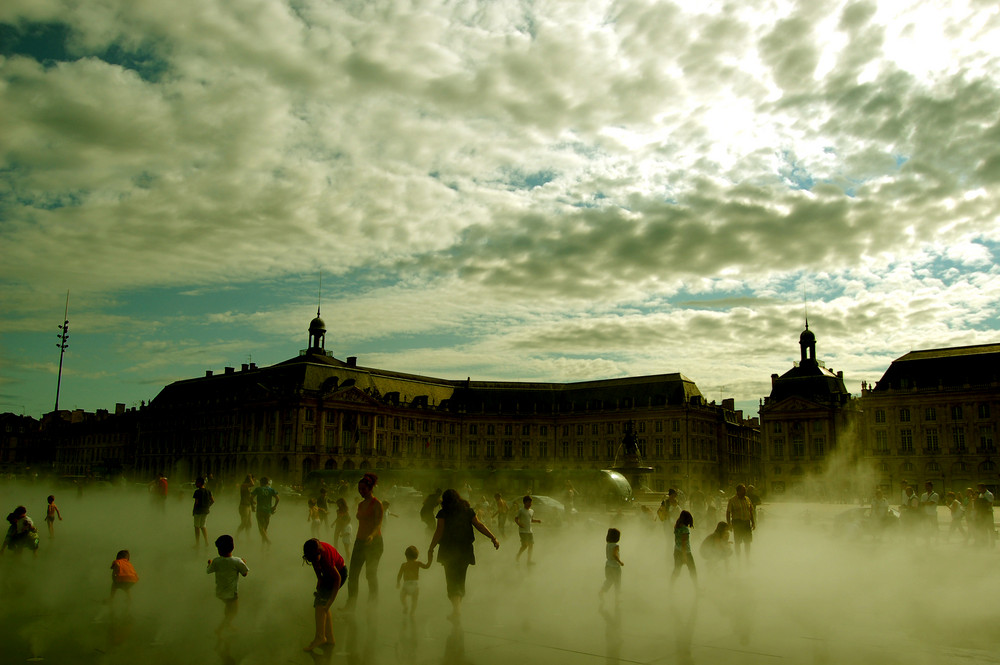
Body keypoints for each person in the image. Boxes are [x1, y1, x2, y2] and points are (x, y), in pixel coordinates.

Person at [427, 488, 499, 622]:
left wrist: (431, 548)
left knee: (451, 580)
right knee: (460, 580)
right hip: (465, 550)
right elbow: (479, 525)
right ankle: (457, 609)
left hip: (448, 550)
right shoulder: (468, 511)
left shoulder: (443, 513)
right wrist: (493, 537)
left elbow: (439, 532)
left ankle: (456, 610)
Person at [346, 473, 384, 610]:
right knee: (353, 575)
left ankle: (373, 603)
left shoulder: (377, 504)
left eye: (363, 489)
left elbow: (378, 524)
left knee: (370, 574)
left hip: (374, 543)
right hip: (360, 541)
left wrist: (372, 536)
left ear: (370, 488)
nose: (361, 491)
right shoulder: (361, 504)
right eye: (359, 489)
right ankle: (350, 604)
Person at [302, 538, 347, 652]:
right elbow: (316, 565)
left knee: (320, 604)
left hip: (339, 572)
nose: (315, 562)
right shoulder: (312, 551)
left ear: (319, 553)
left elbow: (338, 579)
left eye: (316, 559)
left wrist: (330, 602)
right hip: (328, 574)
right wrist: (319, 579)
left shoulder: (326, 557)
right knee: (322, 604)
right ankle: (330, 638)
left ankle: (320, 637)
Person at [206, 535, 249, 635]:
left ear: (219, 550)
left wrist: (209, 562)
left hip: (220, 592)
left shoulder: (216, 561)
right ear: (232, 547)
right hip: (232, 593)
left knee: (228, 608)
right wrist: (244, 562)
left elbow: (209, 570)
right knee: (233, 612)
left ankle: (228, 623)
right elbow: (245, 574)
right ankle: (220, 628)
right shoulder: (237, 561)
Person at [396, 545, 433, 615]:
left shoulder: (404, 565)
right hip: (415, 585)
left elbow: (399, 575)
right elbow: (427, 566)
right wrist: (430, 559)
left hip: (406, 584)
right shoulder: (417, 563)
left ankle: (405, 606)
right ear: (416, 556)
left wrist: (398, 583)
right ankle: (412, 611)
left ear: (406, 556)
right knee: (414, 600)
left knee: (402, 596)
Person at [726, 484, 756, 559]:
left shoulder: (747, 499)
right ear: (738, 491)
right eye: (743, 490)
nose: (745, 491)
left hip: (746, 523)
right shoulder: (732, 500)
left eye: (745, 490)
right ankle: (738, 559)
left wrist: (753, 522)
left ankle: (747, 558)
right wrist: (729, 524)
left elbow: (751, 511)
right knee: (738, 542)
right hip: (737, 523)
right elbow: (728, 512)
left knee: (747, 542)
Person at [251, 477, 279, 546]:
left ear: (261, 483)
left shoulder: (258, 489)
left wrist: (252, 505)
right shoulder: (271, 490)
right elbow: (278, 498)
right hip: (268, 511)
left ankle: (268, 541)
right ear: (267, 483)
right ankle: (263, 546)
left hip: (260, 510)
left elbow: (251, 497)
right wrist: (274, 506)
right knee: (265, 529)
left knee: (261, 529)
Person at [599, 528, 624, 605]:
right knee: (617, 582)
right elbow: (615, 555)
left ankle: (601, 591)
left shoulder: (608, 545)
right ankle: (617, 599)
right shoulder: (616, 546)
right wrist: (620, 562)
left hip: (608, 565)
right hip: (615, 567)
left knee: (609, 580)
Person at [514, 495, 541, 565]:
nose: (530, 504)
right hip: (522, 531)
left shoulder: (532, 511)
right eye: (528, 503)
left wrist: (537, 521)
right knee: (525, 546)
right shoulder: (521, 510)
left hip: (529, 531)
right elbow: (516, 519)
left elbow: (531, 520)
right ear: (524, 503)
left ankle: (529, 561)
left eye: (531, 503)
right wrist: (519, 524)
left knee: (531, 545)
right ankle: (518, 555)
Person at [672, 510, 697, 584]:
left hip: (677, 551)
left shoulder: (677, 526)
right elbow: (684, 543)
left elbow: (677, 540)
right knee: (693, 571)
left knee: (676, 571)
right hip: (686, 552)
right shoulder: (685, 529)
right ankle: (697, 589)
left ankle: (670, 588)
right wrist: (684, 555)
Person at [192, 476, 215, 548]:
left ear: (199, 483)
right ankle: (206, 542)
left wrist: (194, 511)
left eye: (196, 483)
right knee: (203, 526)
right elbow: (213, 501)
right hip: (205, 511)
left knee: (197, 526)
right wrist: (208, 506)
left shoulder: (197, 492)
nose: (195, 484)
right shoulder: (208, 491)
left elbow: (196, 502)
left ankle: (197, 543)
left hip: (198, 511)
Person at [333, 497, 353, 562]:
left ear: (342, 503)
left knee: (345, 542)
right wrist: (334, 523)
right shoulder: (339, 510)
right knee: (336, 539)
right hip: (339, 525)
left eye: (339, 503)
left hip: (343, 525)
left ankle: (347, 557)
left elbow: (348, 519)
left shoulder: (345, 510)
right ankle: (336, 554)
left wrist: (345, 524)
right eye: (337, 504)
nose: (338, 505)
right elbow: (338, 518)